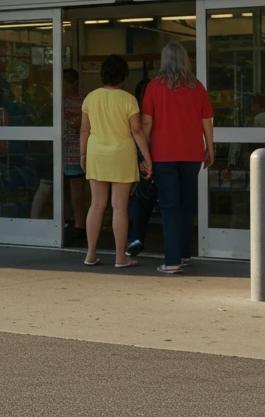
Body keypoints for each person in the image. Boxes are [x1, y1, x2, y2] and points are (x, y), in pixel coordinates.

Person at [141, 43, 214, 274]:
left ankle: (172, 261)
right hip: (192, 154)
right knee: (186, 205)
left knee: (170, 207)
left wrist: (144, 155)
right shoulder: (197, 87)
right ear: (186, 60)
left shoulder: (153, 87)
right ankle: (184, 254)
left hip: (163, 155)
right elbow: (206, 121)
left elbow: (146, 124)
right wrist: (210, 148)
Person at [80, 54, 151, 268]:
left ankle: (91, 254)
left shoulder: (90, 98)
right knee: (119, 207)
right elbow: (137, 131)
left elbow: (84, 129)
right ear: (124, 76)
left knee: (96, 204)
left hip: (97, 153)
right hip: (121, 154)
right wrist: (148, 157)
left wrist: (82, 155)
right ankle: (120, 257)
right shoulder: (128, 99)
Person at [125, 76, 156, 258]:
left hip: (141, 159)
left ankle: (135, 238)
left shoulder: (134, 110)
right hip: (155, 159)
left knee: (140, 200)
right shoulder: (139, 110)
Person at [59, 68, 86, 233]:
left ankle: (79, 224)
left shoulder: (84, 101)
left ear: (73, 82)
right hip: (59, 149)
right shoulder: (57, 101)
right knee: (62, 187)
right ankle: (64, 218)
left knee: (77, 186)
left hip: (76, 150)